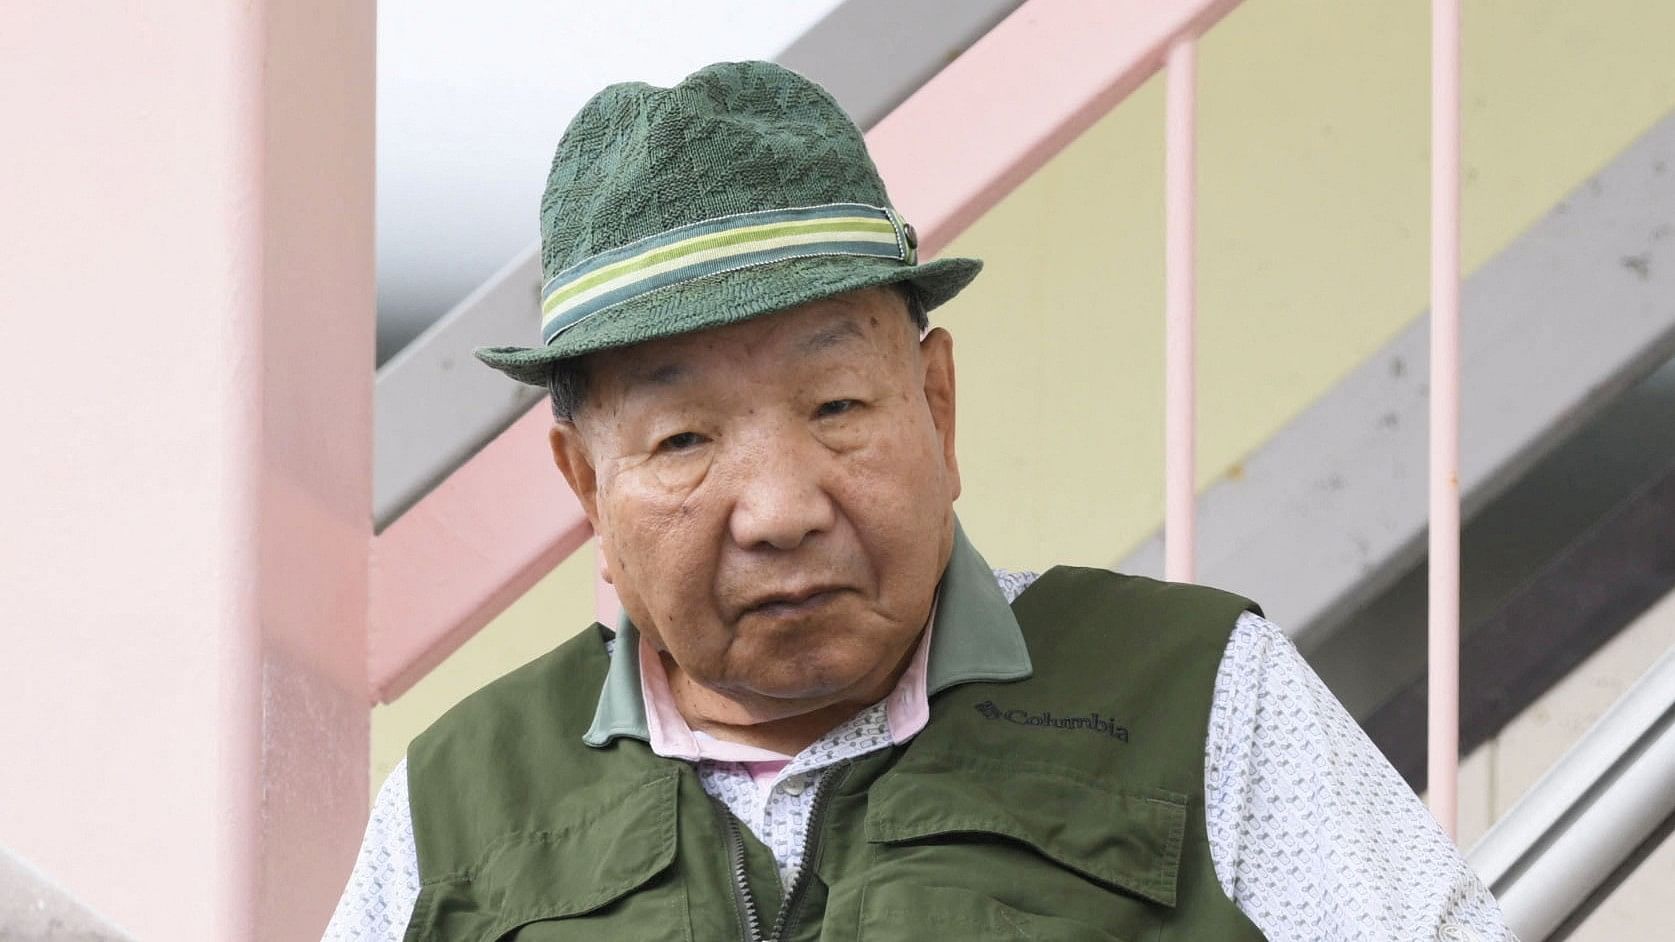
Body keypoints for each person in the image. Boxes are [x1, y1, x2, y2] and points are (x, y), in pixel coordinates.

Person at [324, 60, 1514, 941]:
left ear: (936, 406)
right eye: (684, 437)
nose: (779, 509)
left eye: (836, 407)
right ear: (587, 485)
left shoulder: (1198, 692)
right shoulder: (456, 803)